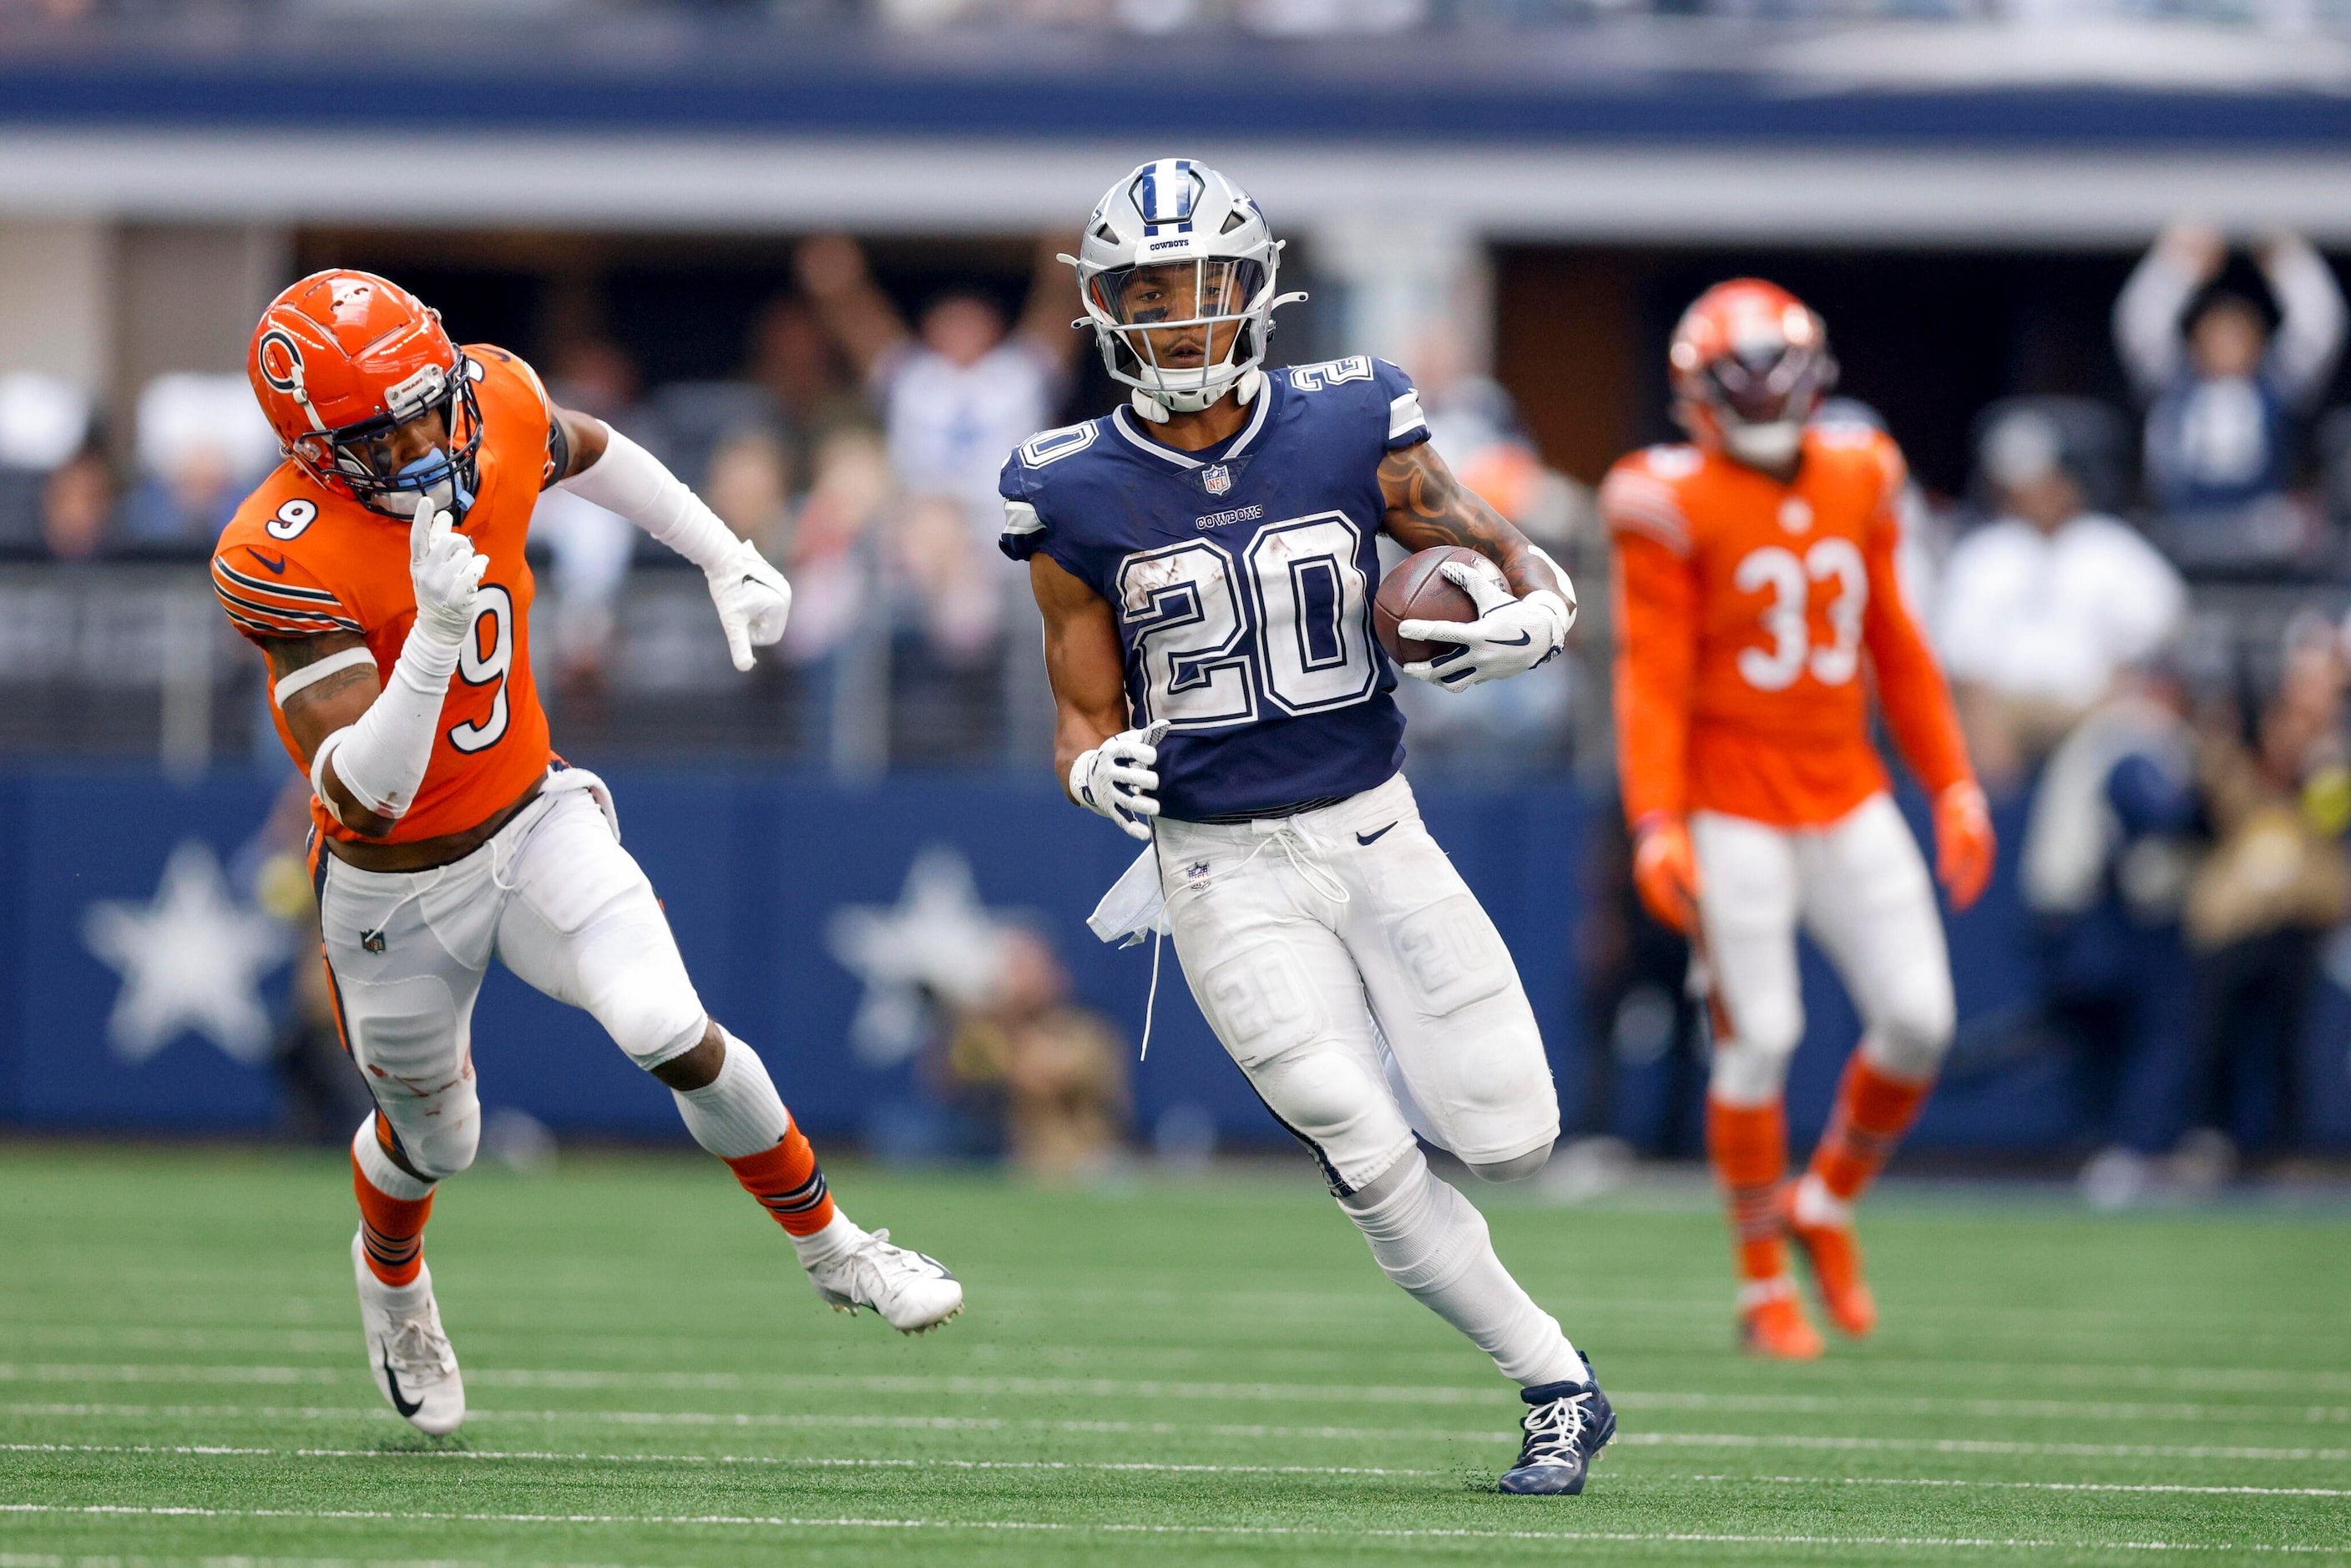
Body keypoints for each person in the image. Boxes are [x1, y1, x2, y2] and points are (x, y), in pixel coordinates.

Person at [210, 271, 963, 1437]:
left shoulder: (492, 396)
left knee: (668, 1026)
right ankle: (392, 1275)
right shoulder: (276, 546)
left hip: (535, 814)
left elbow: (593, 450)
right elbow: (362, 796)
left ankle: (838, 1249)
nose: (421, 437)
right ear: (316, 451)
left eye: (426, 401)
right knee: (436, 1138)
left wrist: (722, 550)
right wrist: (435, 643)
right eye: (381, 428)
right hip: (393, 886)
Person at [1002, 159, 1609, 1496]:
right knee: (1355, 1127)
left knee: (1512, 1139)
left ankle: (1476, 1254)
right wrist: (1090, 774)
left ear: (1254, 287)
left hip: (1376, 828)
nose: (1171, 318)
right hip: (1220, 865)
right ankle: (1557, 1381)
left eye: (1197, 286)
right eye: (1142, 293)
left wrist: (1536, 622)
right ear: (1101, 307)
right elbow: (1078, 712)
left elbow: (1525, 558)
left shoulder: (1350, 415)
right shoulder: (1070, 488)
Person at [1600, 280, 1995, 1359]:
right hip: (1732, 805)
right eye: (1746, 377)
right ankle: (1761, 1279)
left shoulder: (1863, 470)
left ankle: (1824, 1202)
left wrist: (1953, 780)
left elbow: (1898, 644)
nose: (1768, 396)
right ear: (1698, 390)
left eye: (1780, 373)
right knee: (1760, 1036)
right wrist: (1655, 820)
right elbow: (1653, 678)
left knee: (1920, 1019)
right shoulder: (1663, 495)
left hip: (1846, 786)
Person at [1934, 399, 2187, 792]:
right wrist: (1984, 733)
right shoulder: (1981, 554)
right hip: (2009, 708)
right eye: (2022, 485)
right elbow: (1966, 670)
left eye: (2045, 481)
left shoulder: (2110, 545)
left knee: (2126, 734)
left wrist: (2118, 692)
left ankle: (2066, 855)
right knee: (1962, 739)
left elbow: (2161, 631)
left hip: (2092, 706)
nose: (2038, 495)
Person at [2115, 221, 2345, 569]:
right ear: (2194, 343)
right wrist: (2176, 264)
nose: (2226, 346)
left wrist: (2288, 260)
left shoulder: (2278, 384)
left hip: (2258, 527)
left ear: (2259, 344)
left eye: (2239, 336)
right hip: (2180, 525)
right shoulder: (2169, 381)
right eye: (2216, 335)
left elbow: (2320, 324)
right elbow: (2139, 322)